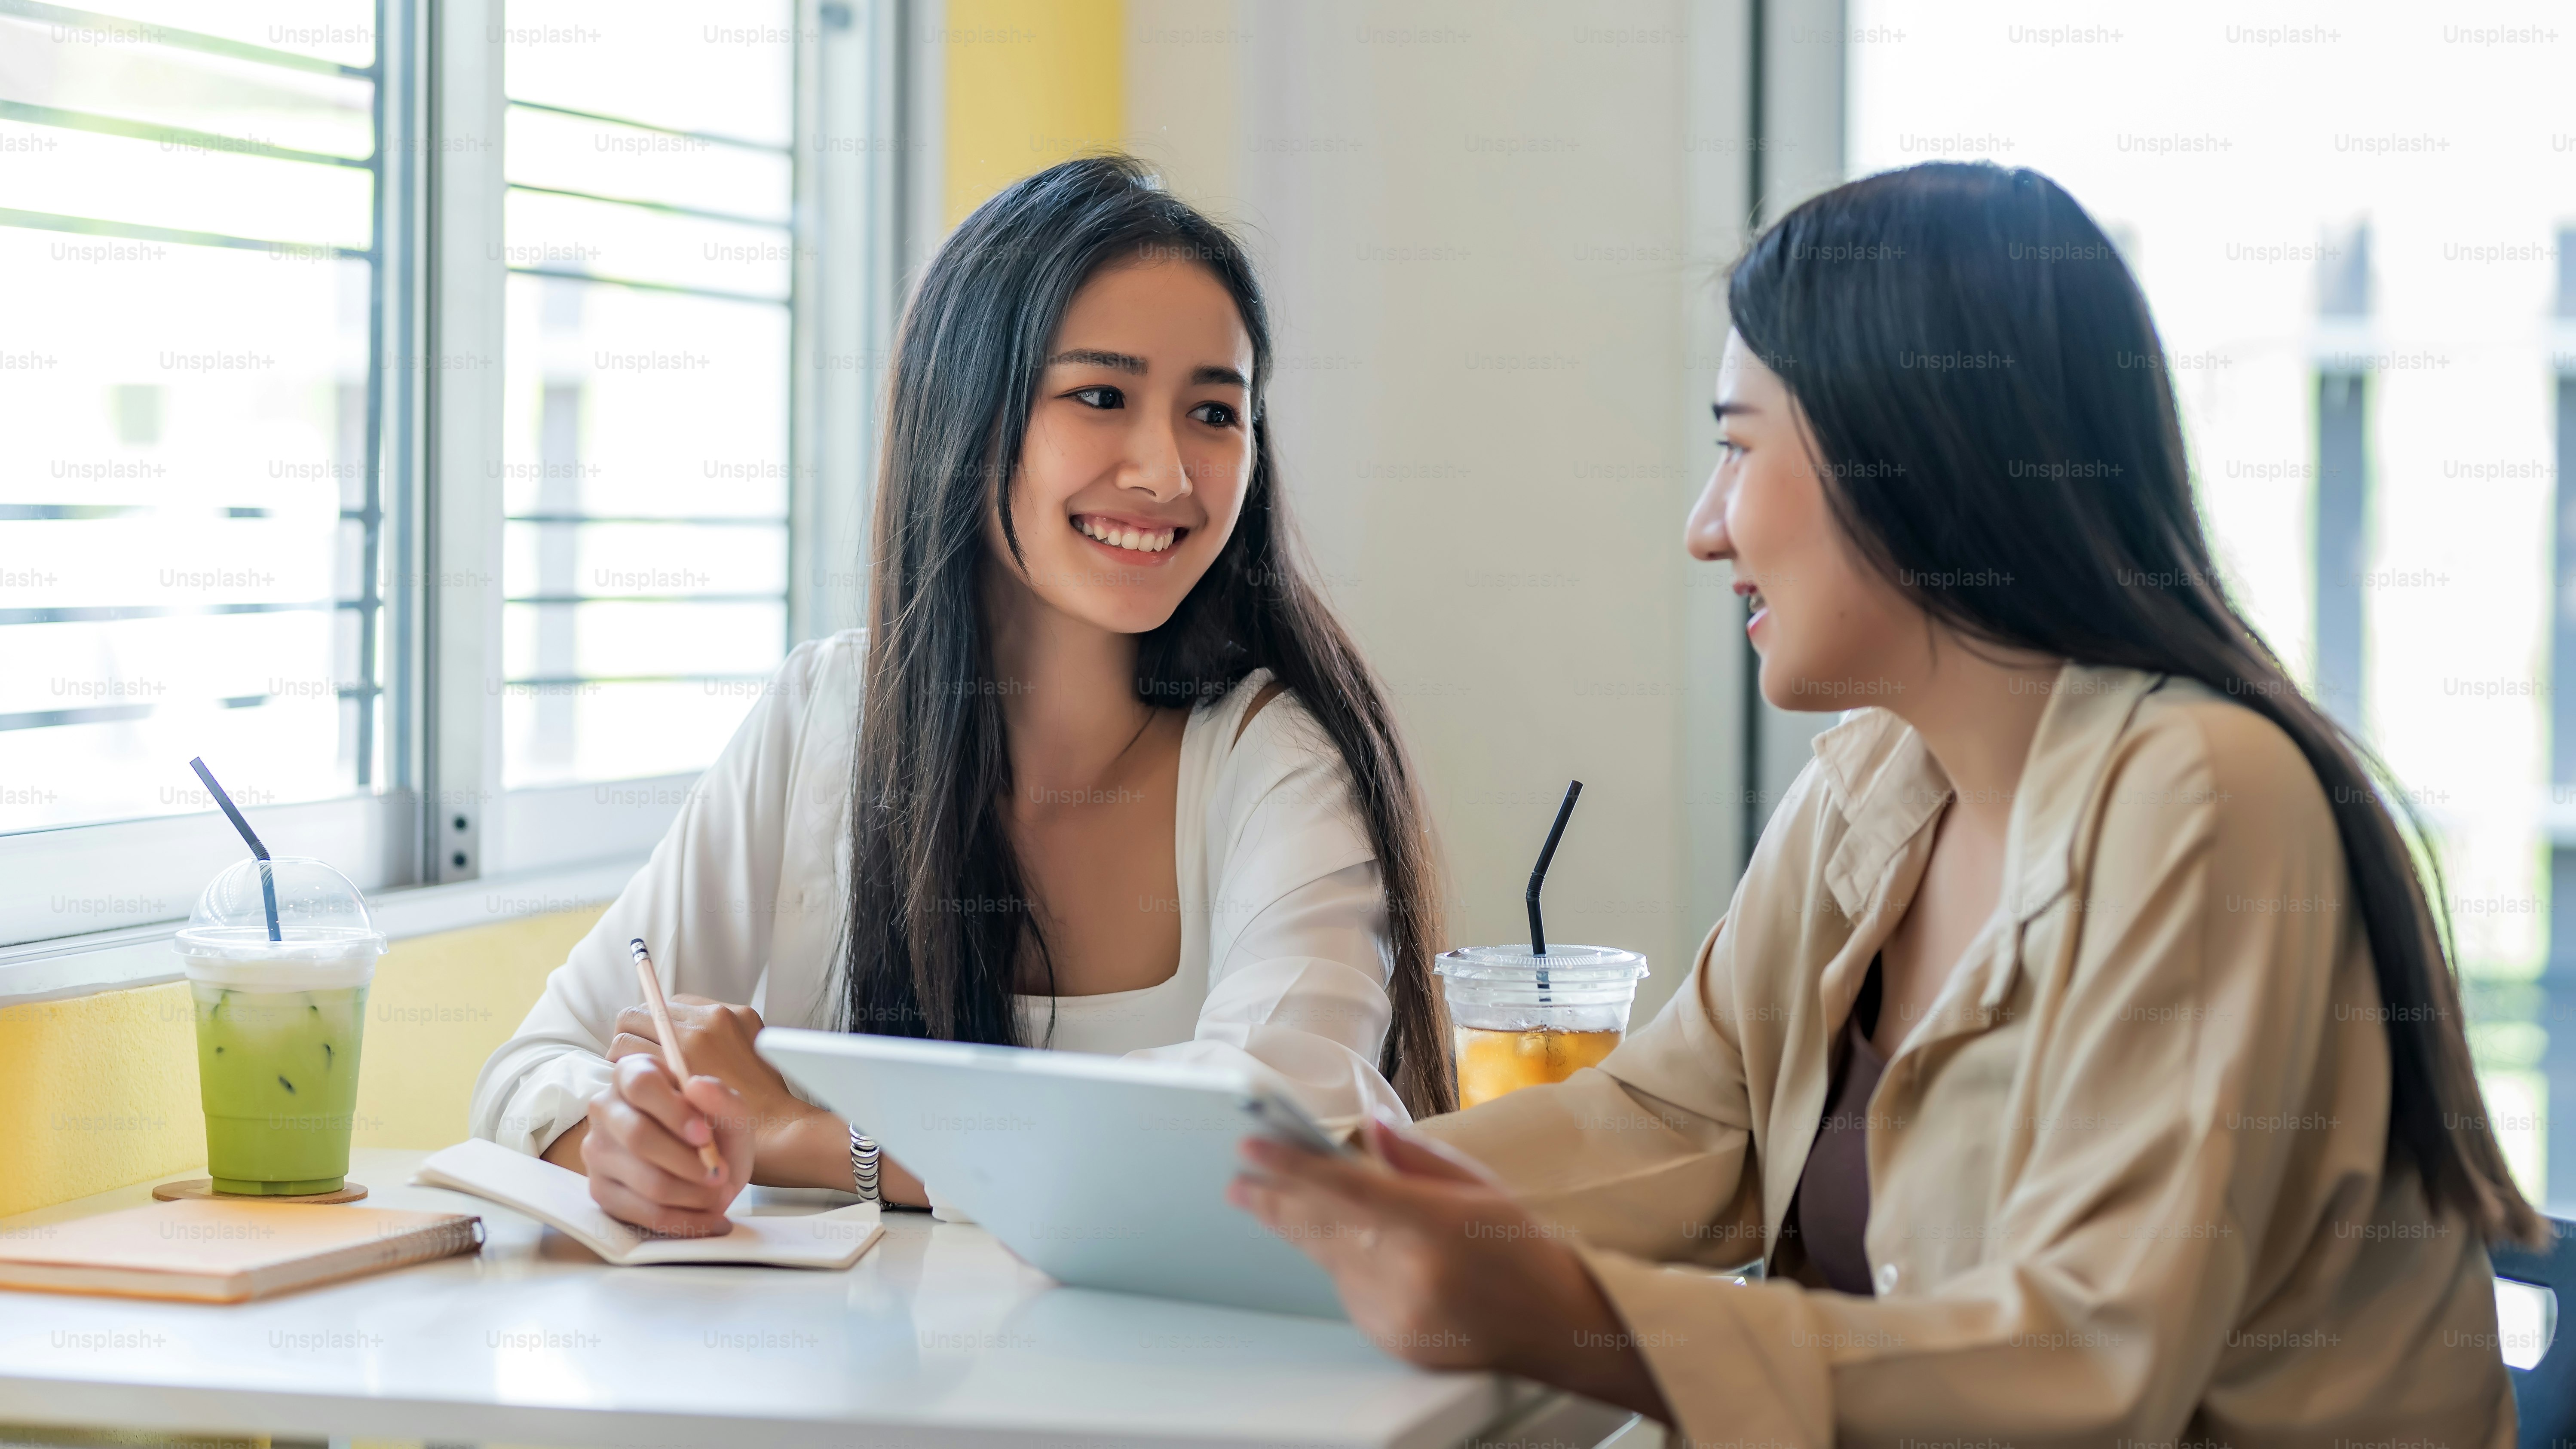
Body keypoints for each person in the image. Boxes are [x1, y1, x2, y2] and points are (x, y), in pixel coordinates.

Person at [1231, 161, 2539, 1446]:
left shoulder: (2204, 796)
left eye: (1736, 448)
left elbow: (2089, 1366)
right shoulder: (1877, 783)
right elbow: (1691, 1119)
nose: (1704, 527)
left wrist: (1580, 1317)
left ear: (1907, 454)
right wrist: (1338, 1194)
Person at [471, 155, 1451, 1234]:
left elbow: (1265, 1136)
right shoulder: (822, 717)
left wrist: (806, 1138)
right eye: (1101, 396)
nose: (1168, 472)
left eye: (1214, 413)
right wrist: (626, 1140)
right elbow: (533, 1070)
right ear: (965, 412)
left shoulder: (1276, 761)